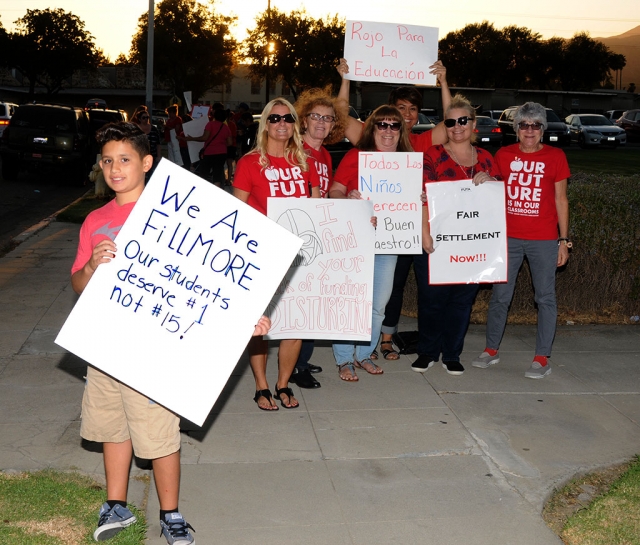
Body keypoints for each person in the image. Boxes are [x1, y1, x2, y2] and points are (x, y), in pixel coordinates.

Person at [71, 122, 271, 544]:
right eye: (107, 160)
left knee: (159, 434)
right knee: (112, 427)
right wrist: (90, 267)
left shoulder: (179, 214)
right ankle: (117, 504)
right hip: (106, 346)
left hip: (156, 352)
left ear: (146, 163)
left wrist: (243, 318)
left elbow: (210, 278)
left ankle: (171, 513)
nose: (115, 168)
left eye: (124, 159)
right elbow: (77, 284)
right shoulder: (95, 219)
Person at [337, 58, 452, 361]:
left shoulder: (416, 143)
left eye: (411, 109)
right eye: (398, 109)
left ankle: (374, 345)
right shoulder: (369, 137)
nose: (400, 118)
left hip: (401, 230)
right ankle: (353, 352)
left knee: (385, 294)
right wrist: (346, 78)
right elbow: (340, 115)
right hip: (364, 233)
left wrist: (442, 83)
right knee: (360, 295)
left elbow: (450, 124)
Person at [471, 102, 570, 379]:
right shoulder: (503, 154)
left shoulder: (556, 156)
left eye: (535, 125)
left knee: (545, 298)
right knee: (500, 297)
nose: (529, 130)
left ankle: (541, 357)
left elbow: (561, 199)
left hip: (544, 239)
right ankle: (491, 350)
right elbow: (493, 186)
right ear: (516, 129)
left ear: (542, 129)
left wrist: (564, 240)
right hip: (508, 238)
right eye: (524, 125)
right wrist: (484, 178)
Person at [233, 98, 321, 410]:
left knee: (294, 324)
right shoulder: (249, 163)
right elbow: (237, 214)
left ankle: (284, 383)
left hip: (298, 257)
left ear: (295, 124)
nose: (281, 124)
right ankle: (261, 385)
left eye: (287, 118)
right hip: (262, 256)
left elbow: (315, 208)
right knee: (260, 324)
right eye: (274, 118)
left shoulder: (305, 162)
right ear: (265, 124)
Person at [412, 94, 500, 376]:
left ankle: (451, 353)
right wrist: (424, 234)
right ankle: (427, 352)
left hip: (474, 244)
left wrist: (492, 181)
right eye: (451, 122)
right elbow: (423, 196)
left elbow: (498, 200)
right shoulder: (432, 154)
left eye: (463, 120)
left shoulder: (486, 158)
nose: (457, 126)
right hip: (438, 242)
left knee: (462, 302)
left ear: (473, 124)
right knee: (431, 301)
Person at [328, 104, 411, 381]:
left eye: (394, 125)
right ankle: (343, 359)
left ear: (400, 131)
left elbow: (415, 201)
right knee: (350, 300)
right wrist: (347, 200)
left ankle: (364, 354)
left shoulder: (408, 162)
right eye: (382, 124)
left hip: (389, 242)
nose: (388, 130)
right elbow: (334, 191)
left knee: (377, 305)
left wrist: (419, 200)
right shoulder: (356, 156)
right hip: (355, 239)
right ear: (372, 128)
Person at [287, 86, 350, 389]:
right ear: (304, 120)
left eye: (328, 118)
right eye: (316, 117)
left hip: (315, 233)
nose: (322, 123)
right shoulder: (294, 149)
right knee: (302, 304)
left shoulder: (324, 153)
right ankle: (297, 367)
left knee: (313, 299)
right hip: (296, 231)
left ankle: (302, 357)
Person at [181, 108, 231, 187]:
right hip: (222, 153)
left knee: (204, 173)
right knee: (217, 174)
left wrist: (192, 138)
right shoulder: (226, 128)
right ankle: (216, 190)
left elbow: (204, 138)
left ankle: (202, 190)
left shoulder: (210, 124)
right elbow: (229, 143)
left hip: (210, 153)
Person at [131, 106, 161, 181]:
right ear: (140, 119)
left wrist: (158, 156)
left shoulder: (154, 129)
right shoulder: (136, 129)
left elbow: (158, 143)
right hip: (140, 156)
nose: (146, 119)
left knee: (151, 175)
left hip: (152, 155)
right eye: (144, 118)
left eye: (147, 117)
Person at [164, 104, 191, 171]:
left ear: (174, 112)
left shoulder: (178, 119)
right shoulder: (169, 120)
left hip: (175, 139)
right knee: (170, 155)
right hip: (169, 139)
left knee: (176, 154)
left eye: (170, 113)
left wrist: (167, 127)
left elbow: (176, 129)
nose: (169, 115)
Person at [225, 109, 237, 184]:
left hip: (230, 146)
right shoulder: (230, 124)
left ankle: (228, 179)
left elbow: (233, 136)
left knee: (229, 163)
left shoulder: (231, 124)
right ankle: (227, 179)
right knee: (228, 164)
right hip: (229, 145)